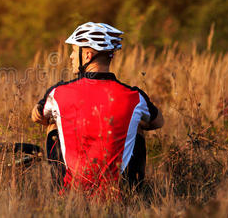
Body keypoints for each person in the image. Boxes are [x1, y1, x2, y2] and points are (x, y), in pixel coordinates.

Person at [31, 22, 164, 196]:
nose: (71, 56)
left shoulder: (58, 93)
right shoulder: (134, 96)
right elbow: (158, 121)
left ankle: (58, 191)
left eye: (73, 50)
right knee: (136, 127)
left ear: (87, 55)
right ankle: (134, 193)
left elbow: (37, 116)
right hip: (119, 195)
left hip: (72, 195)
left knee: (53, 125)